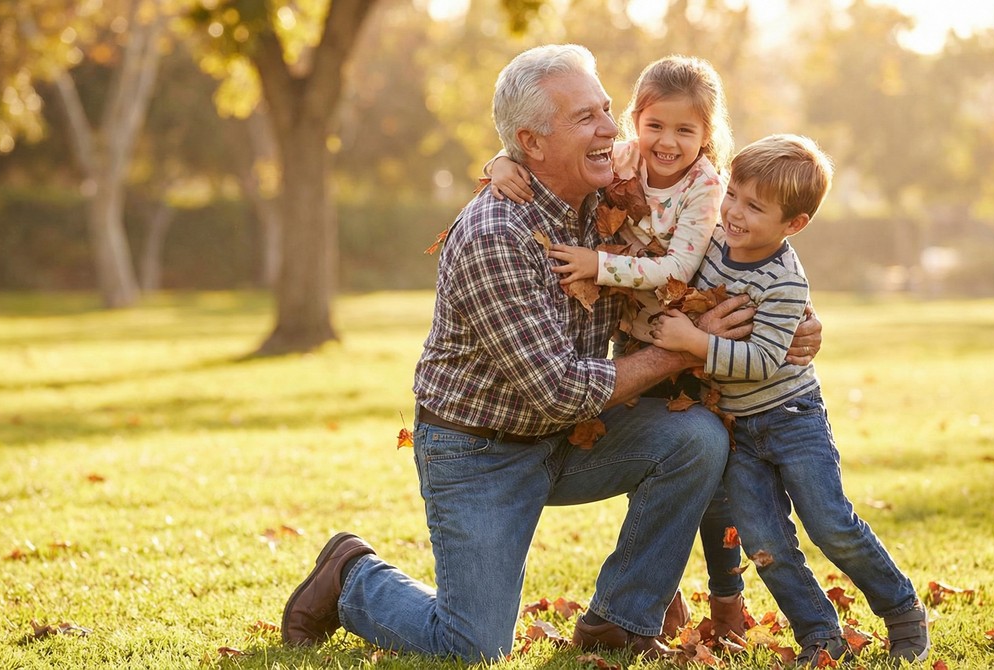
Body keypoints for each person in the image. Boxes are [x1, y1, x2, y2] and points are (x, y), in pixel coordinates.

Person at [279, 44, 763, 663]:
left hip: (572, 436)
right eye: (585, 118)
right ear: (532, 144)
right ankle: (351, 577)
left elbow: (726, 244)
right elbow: (557, 389)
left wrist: (792, 317)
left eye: (608, 111)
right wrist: (682, 353)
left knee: (696, 439)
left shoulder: (611, 198)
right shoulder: (496, 234)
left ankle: (621, 620)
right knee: (472, 649)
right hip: (482, 450)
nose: (610, 131)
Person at [488, 54, 748, 639]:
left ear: (708, 134)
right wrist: (502, 159)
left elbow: (689, 261)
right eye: (654, 125)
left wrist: (598, 265)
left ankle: (727, 602)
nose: (667, 142)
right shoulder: (622, 159)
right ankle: (657, 598)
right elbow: (542, 148)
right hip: (637, 342)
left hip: (692, 333)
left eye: (686, 130)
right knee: (670, 464)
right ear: (637, 122)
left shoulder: (707, 185)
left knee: (715, 466)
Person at [650, 134, 930, 666]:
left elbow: (761, 360)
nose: (732, 211)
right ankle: (820, 636)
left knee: (830, 523)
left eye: (754, 207)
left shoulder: (784, 283)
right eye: (733, 194)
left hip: (791, 418)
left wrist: (694, 342)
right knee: (766, 544)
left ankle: (901, 608)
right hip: (737, 428)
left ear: (793, 224)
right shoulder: (708, 243)